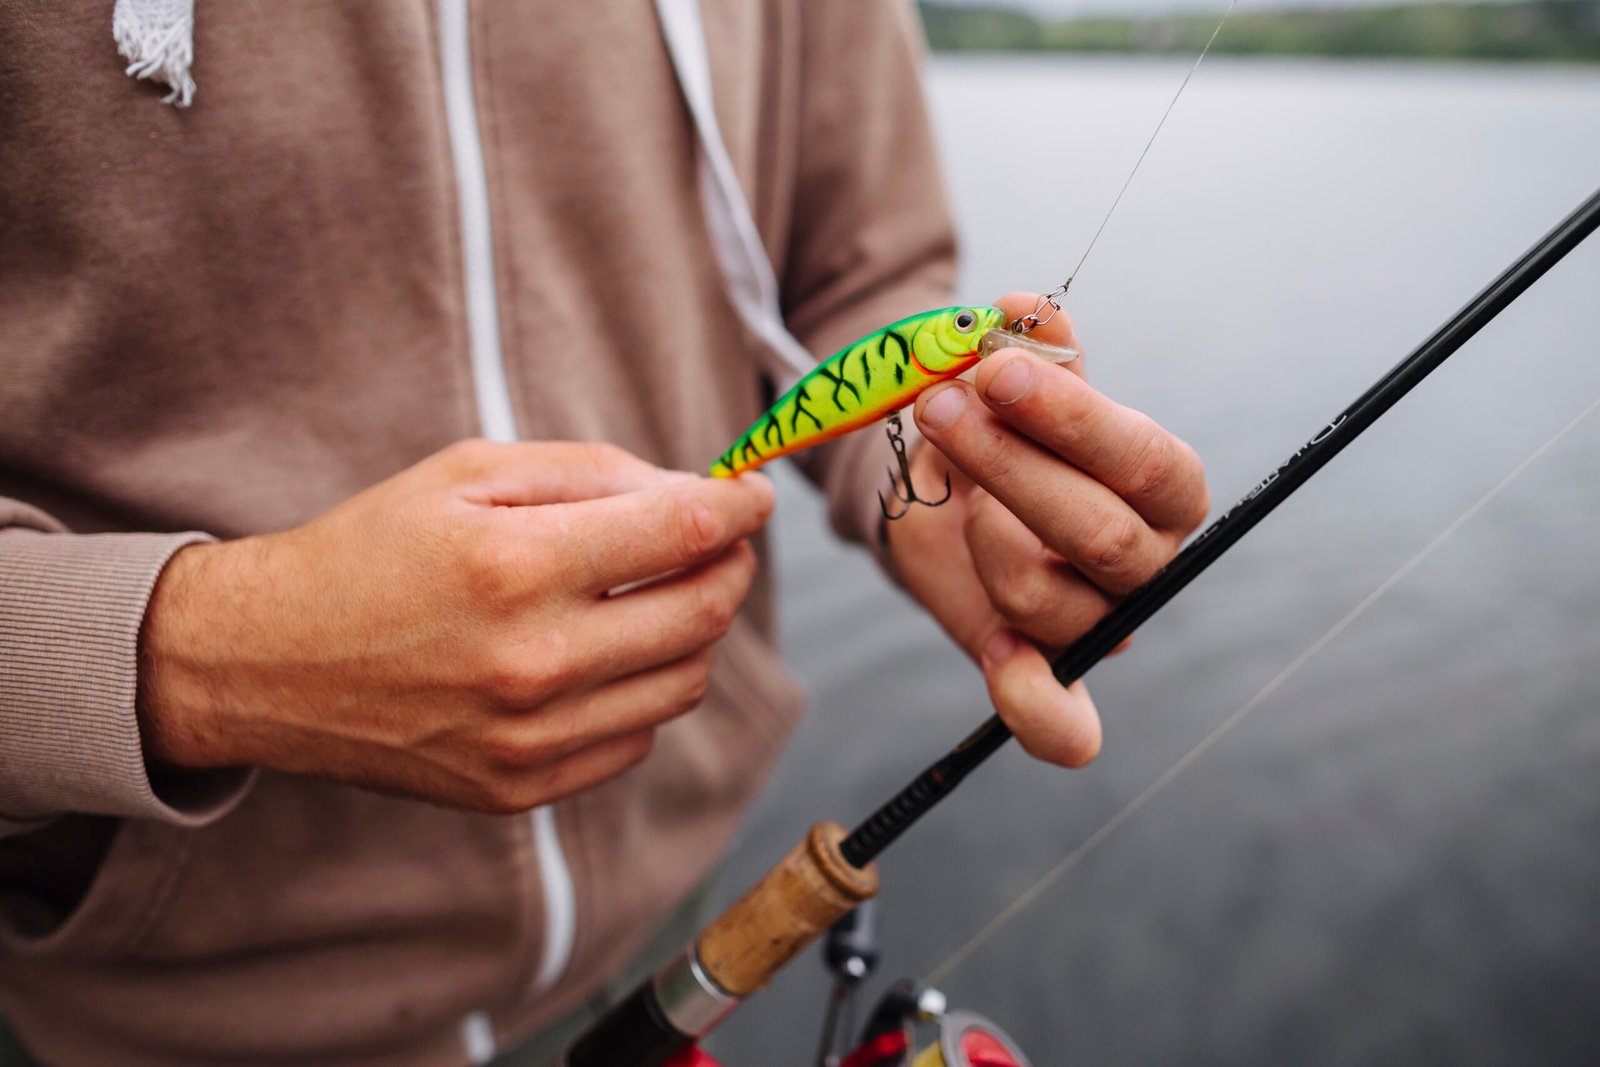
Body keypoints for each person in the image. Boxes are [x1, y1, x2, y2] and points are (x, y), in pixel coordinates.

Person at [0, 2, 1209, 1064]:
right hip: (143, 1010)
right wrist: (196, 656)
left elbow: (859, 274)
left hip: (678, 917)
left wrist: (941, 481)